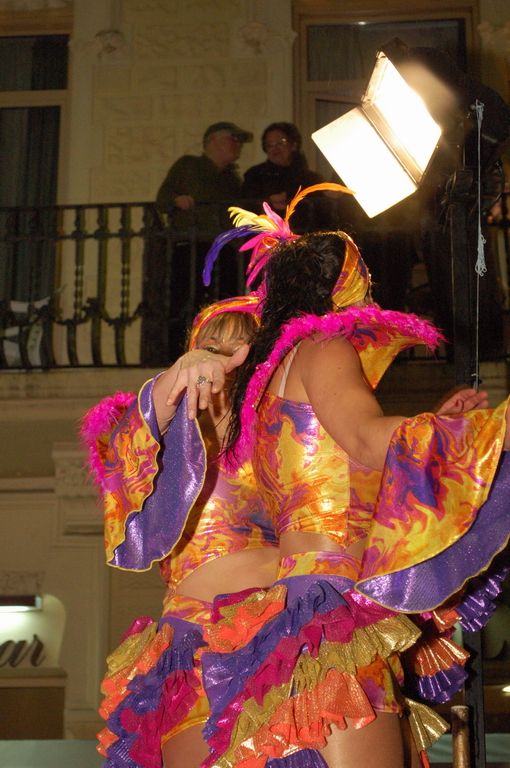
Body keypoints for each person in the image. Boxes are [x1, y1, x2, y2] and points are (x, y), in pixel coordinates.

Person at [169, 187, 510, 768]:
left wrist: (436, 424)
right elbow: (367, 440)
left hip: (298, 606)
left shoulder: (267, 386)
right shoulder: (324, 345)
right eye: (365, 286)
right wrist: (490, 432)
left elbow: (331, 476)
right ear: (346, 289)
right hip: (330, 612)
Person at [81, 295, 280, 768]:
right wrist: (177, 376)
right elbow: (131, 450)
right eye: (211, 343)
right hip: (198, 644)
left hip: (287, 630)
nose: (222, 354)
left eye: (241, 343)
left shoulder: (281, 427)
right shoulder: (165, 429)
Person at [143, 123, 254, 364]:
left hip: (224, 253)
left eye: (239, 140)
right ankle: (178, 357)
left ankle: (220, 355)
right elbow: (162, 200)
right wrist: (177, 199)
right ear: (212, 140)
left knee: (223, 305)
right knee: (185, 303)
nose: (236, 144)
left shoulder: (231, 179)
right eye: (232, 138)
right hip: (191, 249)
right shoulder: (188, 166)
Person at [241, 122, 326, 232]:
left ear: (293, 145)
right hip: (265, 236)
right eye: (269, 144)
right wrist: (268, 202)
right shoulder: (254, 175)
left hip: (302, 235)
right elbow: (246, 207)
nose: (275, 148)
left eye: (281, 142)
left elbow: (320, 214)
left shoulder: (310, 178)